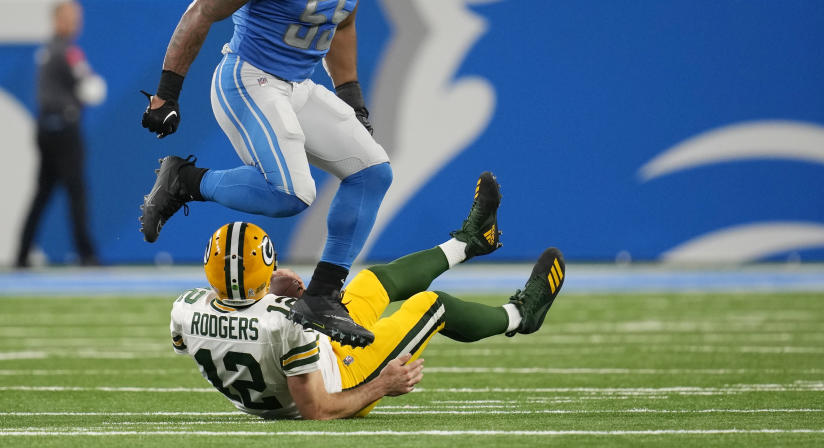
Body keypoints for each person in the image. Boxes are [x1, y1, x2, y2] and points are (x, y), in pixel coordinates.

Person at [139, 0, 390, 349]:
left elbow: (344, 21)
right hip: (249, 77)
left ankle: (322, 295)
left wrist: (351, 96)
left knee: (373, 173)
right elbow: (201, 11)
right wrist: (166, 94)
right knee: (294, 194)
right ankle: (186, 180)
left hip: (299, 83)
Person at [168, 172, 567, 419]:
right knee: (432, 306)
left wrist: (264, 294)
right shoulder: (283, 326)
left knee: (370, 282)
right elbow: (317, 410)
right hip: (344, 379)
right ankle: (521, 314)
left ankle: (468, 243)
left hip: (307, 357)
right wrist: (381, 386)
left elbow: (226, 324)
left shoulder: (186, 310)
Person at [16, 1, 106, 268]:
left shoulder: (47, 51)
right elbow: (92, 90)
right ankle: (86, 254)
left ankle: (20, 256)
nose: (77, 23)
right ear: (57, 20)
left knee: (42, 193)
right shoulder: (67, 52)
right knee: (76, 191)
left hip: (46, 129)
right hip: (64, 131)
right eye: (71, 18)